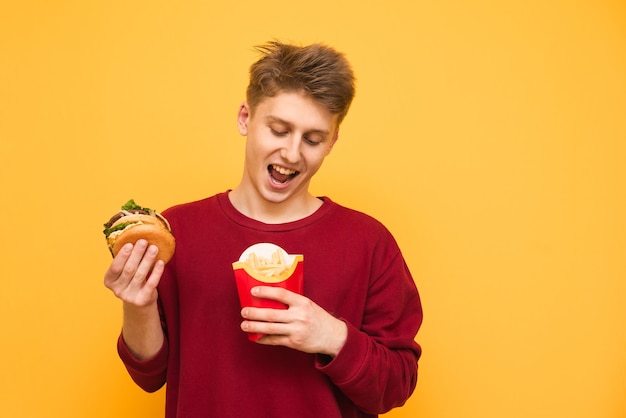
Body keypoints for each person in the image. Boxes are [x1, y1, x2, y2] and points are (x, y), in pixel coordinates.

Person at [104, 41, 423, 418]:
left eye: (313, 139)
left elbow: (395, 387)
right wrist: (137, 306)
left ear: (332, 142)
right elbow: (149, 374)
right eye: (279, 130)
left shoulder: (369, 242)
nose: (291, 153)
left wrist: (332, 336)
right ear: (245, 118)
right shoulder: (179, 231)